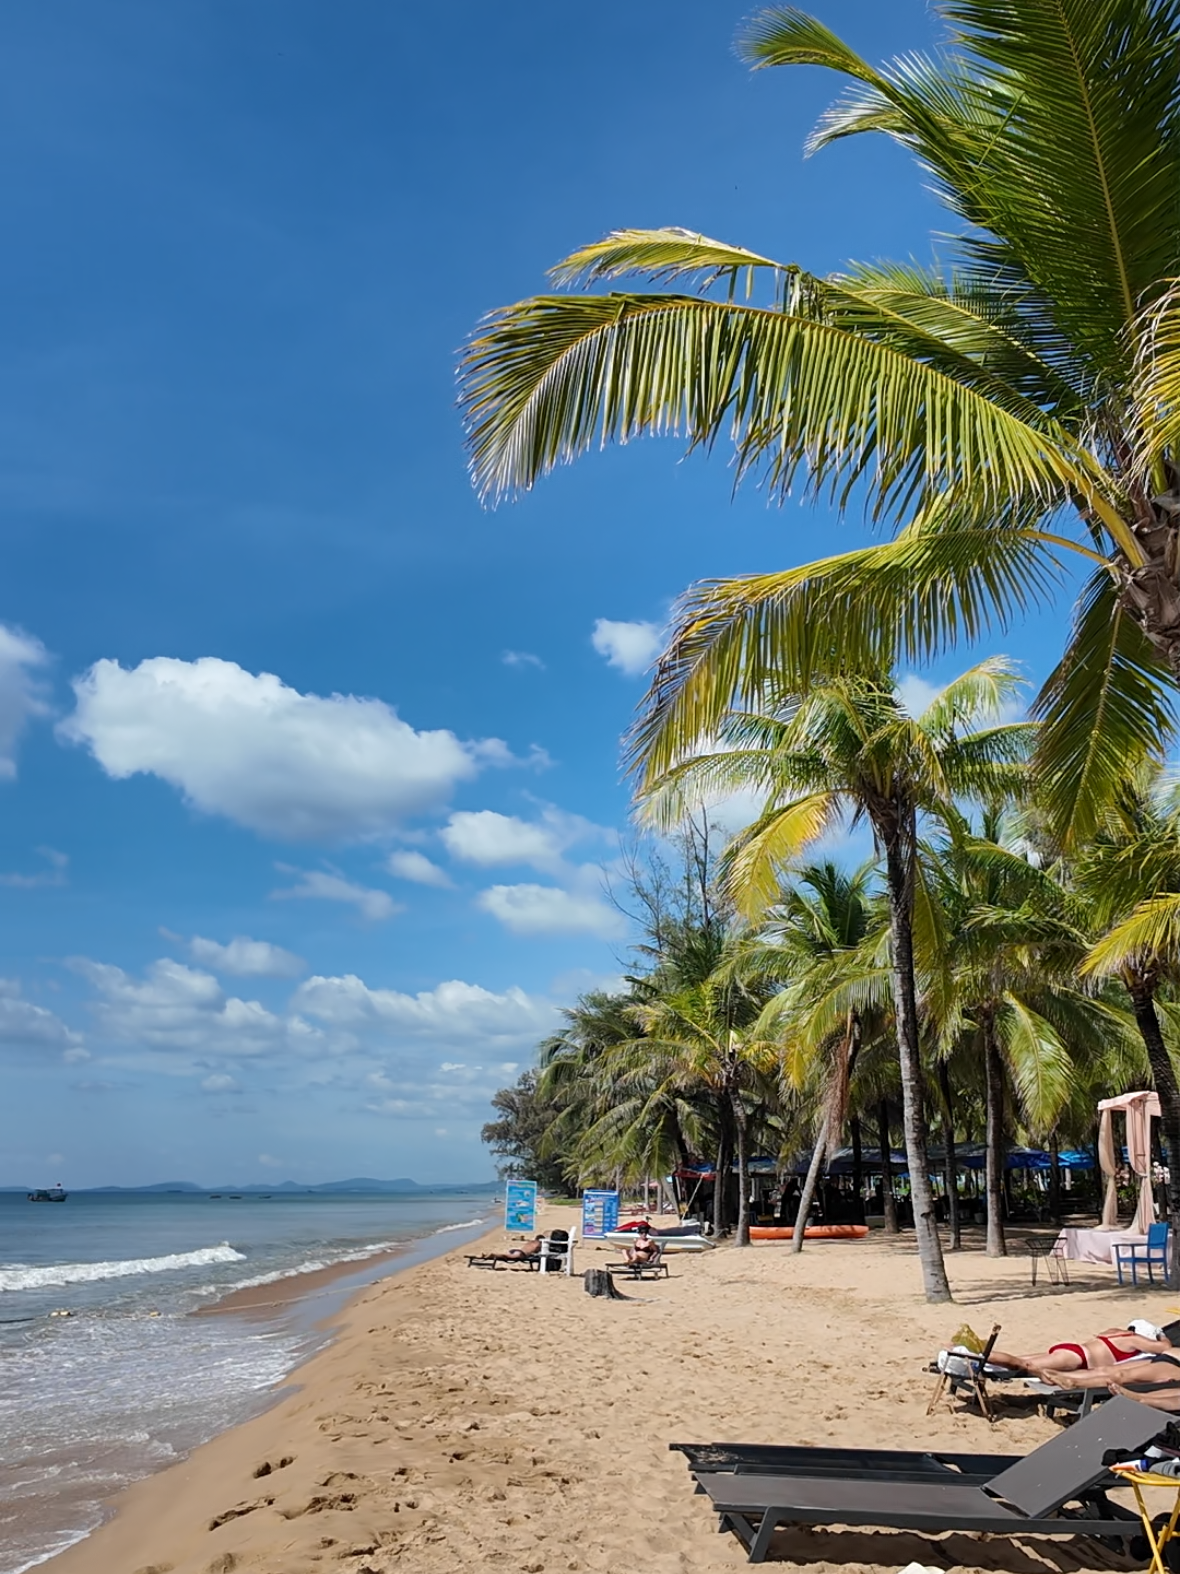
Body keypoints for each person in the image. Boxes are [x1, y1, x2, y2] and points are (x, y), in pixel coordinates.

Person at [986, 1320, 1174, 1383]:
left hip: (1072, 1350)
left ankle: (982, 1356)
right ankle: (981, 1357)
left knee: (1018, 1359)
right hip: (1079, 1358)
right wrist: (1160, 1334)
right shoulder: (1134, 1340)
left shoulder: (1115, 1332)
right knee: (1023, 1365)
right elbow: (1166, 1348)